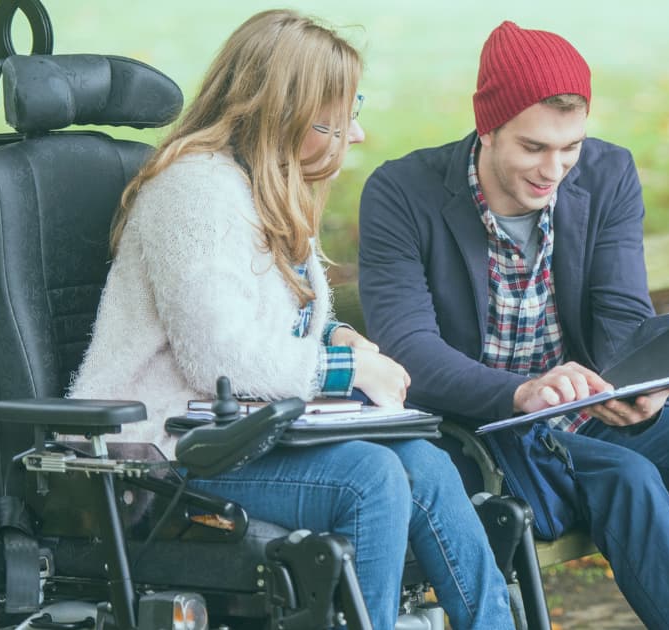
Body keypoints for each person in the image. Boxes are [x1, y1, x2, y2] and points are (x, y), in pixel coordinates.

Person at [68, 10, 513, 629]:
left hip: (242, 434)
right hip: (163, 451)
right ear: (283, 111)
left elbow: (276, 321)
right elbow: (216, 356)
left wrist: (338, 336)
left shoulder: (263, 185)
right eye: (339, 117)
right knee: (371, 477)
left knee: (426, 460)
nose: (355, 134)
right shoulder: (194, 190)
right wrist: (348, 368)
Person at [358, 20, 669, 629]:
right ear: (487, 127)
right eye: (533, 148)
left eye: (570, 148)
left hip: (589, 412)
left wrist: (642, 381)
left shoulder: (608, 173)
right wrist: (521, 391)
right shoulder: (403, 193)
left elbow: (621, 314)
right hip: (485, 430)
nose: (554, 169)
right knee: (630, 477)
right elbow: (409, 351)